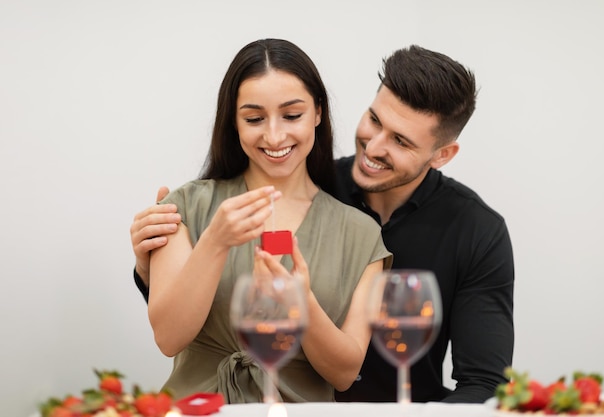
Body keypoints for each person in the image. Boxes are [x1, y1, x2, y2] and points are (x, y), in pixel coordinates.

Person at [130, 44, 514, 404]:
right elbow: (181, 326)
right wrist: (149, 269)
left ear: (441, 154)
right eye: (374, 120)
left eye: (400, 140)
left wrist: (302, 302)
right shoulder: (281, 177)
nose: (374, 147)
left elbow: (482, 382)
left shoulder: (475, 230)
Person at [142, 38, 391, 404]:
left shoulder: (362, 234)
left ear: (318, 113)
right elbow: (168, 338)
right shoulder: (184, 206)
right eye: (254, 119)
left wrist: (301, 302)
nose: (274, 136)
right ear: (234, 122)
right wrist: (215, 242)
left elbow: (344, 373)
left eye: (292, 116)